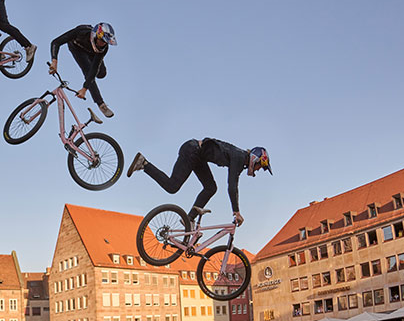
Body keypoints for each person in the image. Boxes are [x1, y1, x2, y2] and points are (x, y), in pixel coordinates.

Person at [128, 139, 270, 226]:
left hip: (198, 156)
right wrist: (236, 212)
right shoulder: (239, 157)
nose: (258, 170)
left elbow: (233, 185)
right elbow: (232, 186)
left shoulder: (240, 159)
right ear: (255, 159)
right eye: (260, 167)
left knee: (211, 187)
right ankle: (144, 164)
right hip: (192, 150)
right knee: (172, 186)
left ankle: (189, 219)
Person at [49, 23, 117, 118]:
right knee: (88, 71)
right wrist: (54, 61)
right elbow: (56, 42)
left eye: (106, 42)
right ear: (96, 35)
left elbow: (94, 70)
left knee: (101, 74)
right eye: (102, 40)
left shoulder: (104, 48)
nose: (103, 44)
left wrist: (84, 88)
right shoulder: (80, 32)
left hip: (93, 53)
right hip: (77, 49)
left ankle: (92, 59)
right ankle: (101, 104)